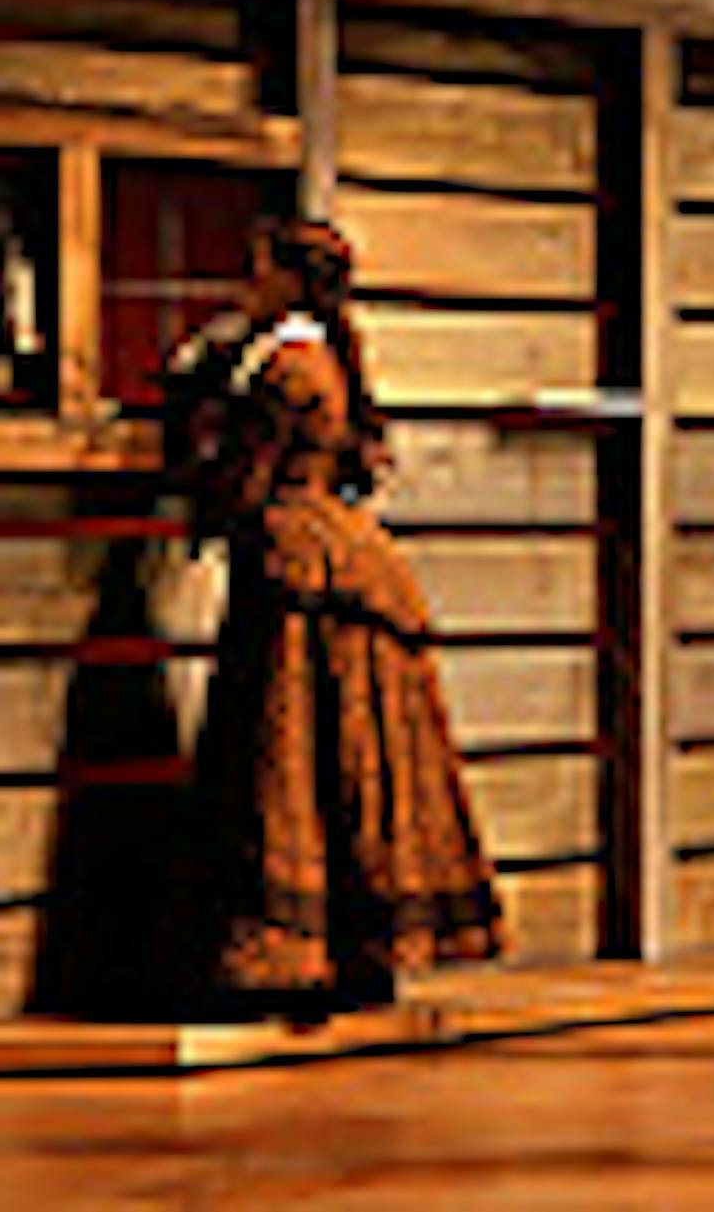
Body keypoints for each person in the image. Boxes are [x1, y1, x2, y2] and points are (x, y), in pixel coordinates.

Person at [173, 220, 504, 1021]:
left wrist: (198, 465)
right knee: (336, 752)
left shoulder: (290, 364)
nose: (249, 283)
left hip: (297, 565)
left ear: (289, 278)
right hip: (334, 557)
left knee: (291, 752)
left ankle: (296, 954)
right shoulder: (318, 351)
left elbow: (247, 475)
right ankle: (353, 948)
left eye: (261, 270)